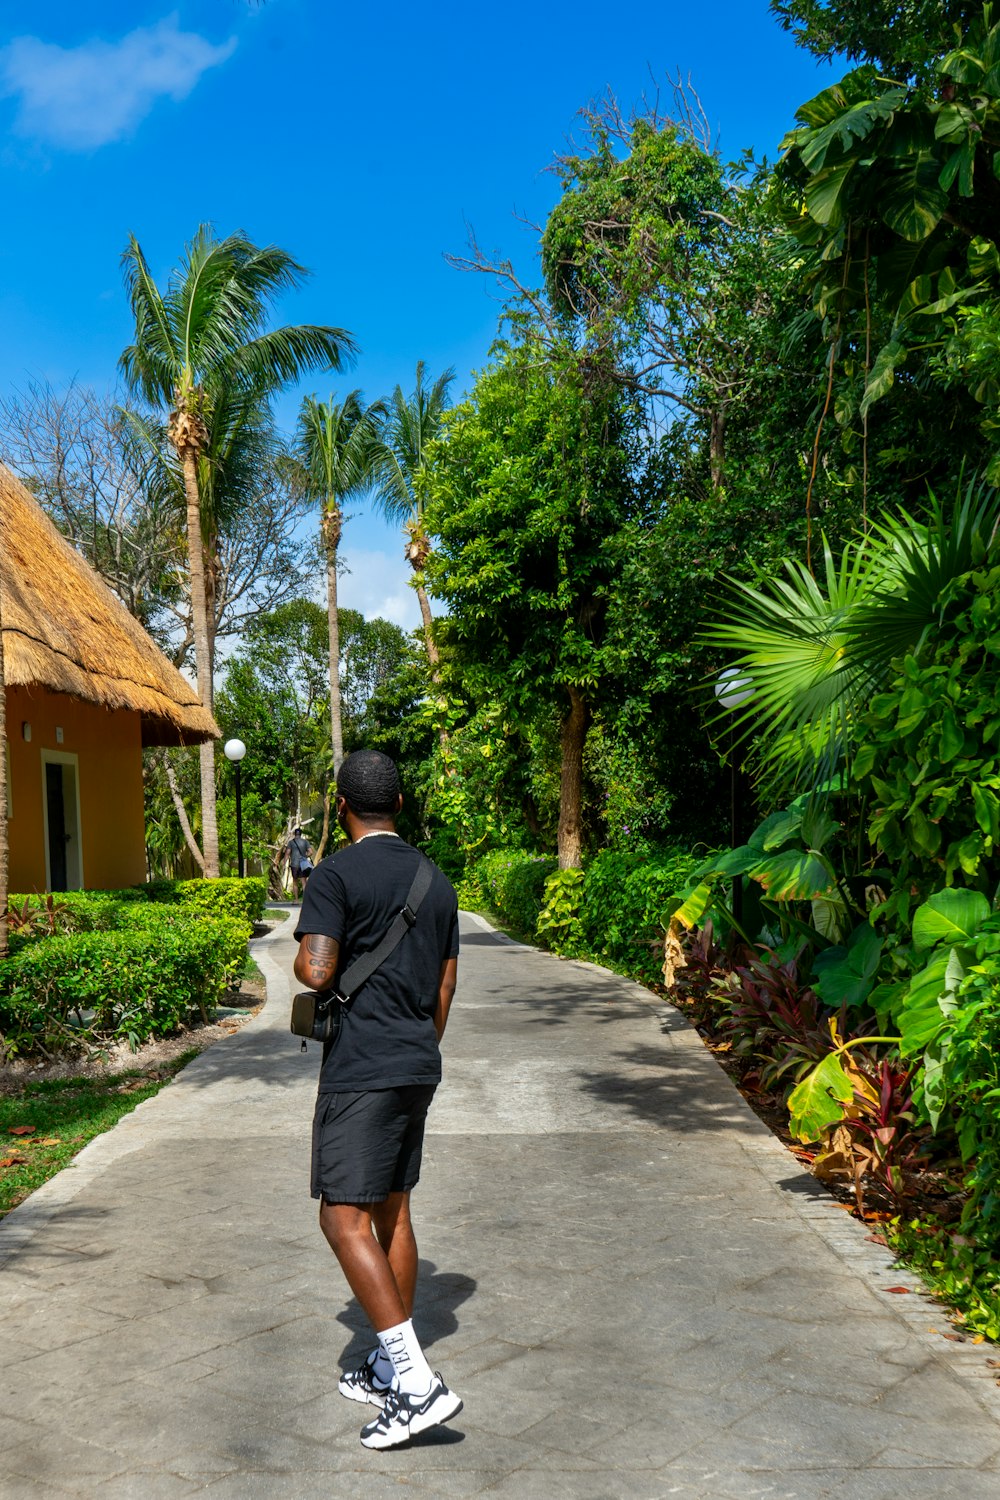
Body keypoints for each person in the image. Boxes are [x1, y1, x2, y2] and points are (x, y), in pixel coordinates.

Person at [292, 748, 462, 1450]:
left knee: (342, 1218)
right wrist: (416, 1047)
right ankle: (390, 1367)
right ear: (401, 804)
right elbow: (446, 989)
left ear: (341, 808)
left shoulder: (334, 873)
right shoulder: (436, 879)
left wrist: (305, 957)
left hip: (361, 1068)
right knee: (392, 1208)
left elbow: (317, 970)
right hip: (418, 1060)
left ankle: (416, 1386)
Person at [285, 826, 313, 899]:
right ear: (300, 834)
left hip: (294, 865)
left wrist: (284, 862)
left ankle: (296, 900)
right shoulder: (305, 842)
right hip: (303, 864)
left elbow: (287, 853)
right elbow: (311, 852)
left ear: (295, 834)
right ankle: (305, 900)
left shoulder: (291, 842)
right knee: (304, 882)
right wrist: (305, 856)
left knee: (295, 882)